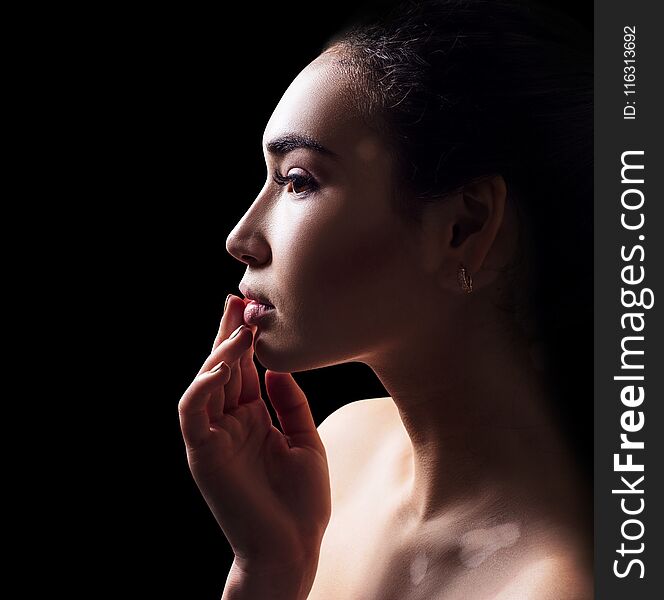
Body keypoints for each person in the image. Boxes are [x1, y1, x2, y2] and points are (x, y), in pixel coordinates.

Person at [178, 0, 593, 598]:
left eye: (298, 182)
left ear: (463, 228)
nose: (240, 238)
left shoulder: (559, 582)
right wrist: (268, 569)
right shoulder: (341, 450)